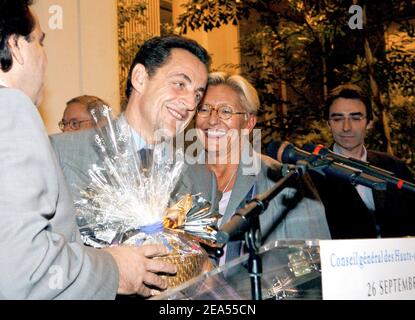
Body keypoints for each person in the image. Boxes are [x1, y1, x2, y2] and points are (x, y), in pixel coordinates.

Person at [0, 0, 176, 299]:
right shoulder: (11, 109)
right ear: (17, 47)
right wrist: (113, 268)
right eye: (40, 42)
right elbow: (22, 269)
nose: (45, 58)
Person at [50, 36, 218, 215]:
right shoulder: (60, 154)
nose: (191, 103)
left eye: (197, 95)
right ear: (139, 78)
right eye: (180, 84)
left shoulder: (203, 182)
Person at [194, 72, 331, 264]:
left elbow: (315, 264)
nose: (212, 120)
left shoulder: (284, 179)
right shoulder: (179, 180)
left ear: (249, 123)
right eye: (204, 109)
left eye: (226, 111)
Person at [312, 83, 415, 238]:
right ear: (328, 123)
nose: (346, 127)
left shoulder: (394, 168)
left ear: (369, 123)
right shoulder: (313, 173)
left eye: (355, 118)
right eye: (338, 118)